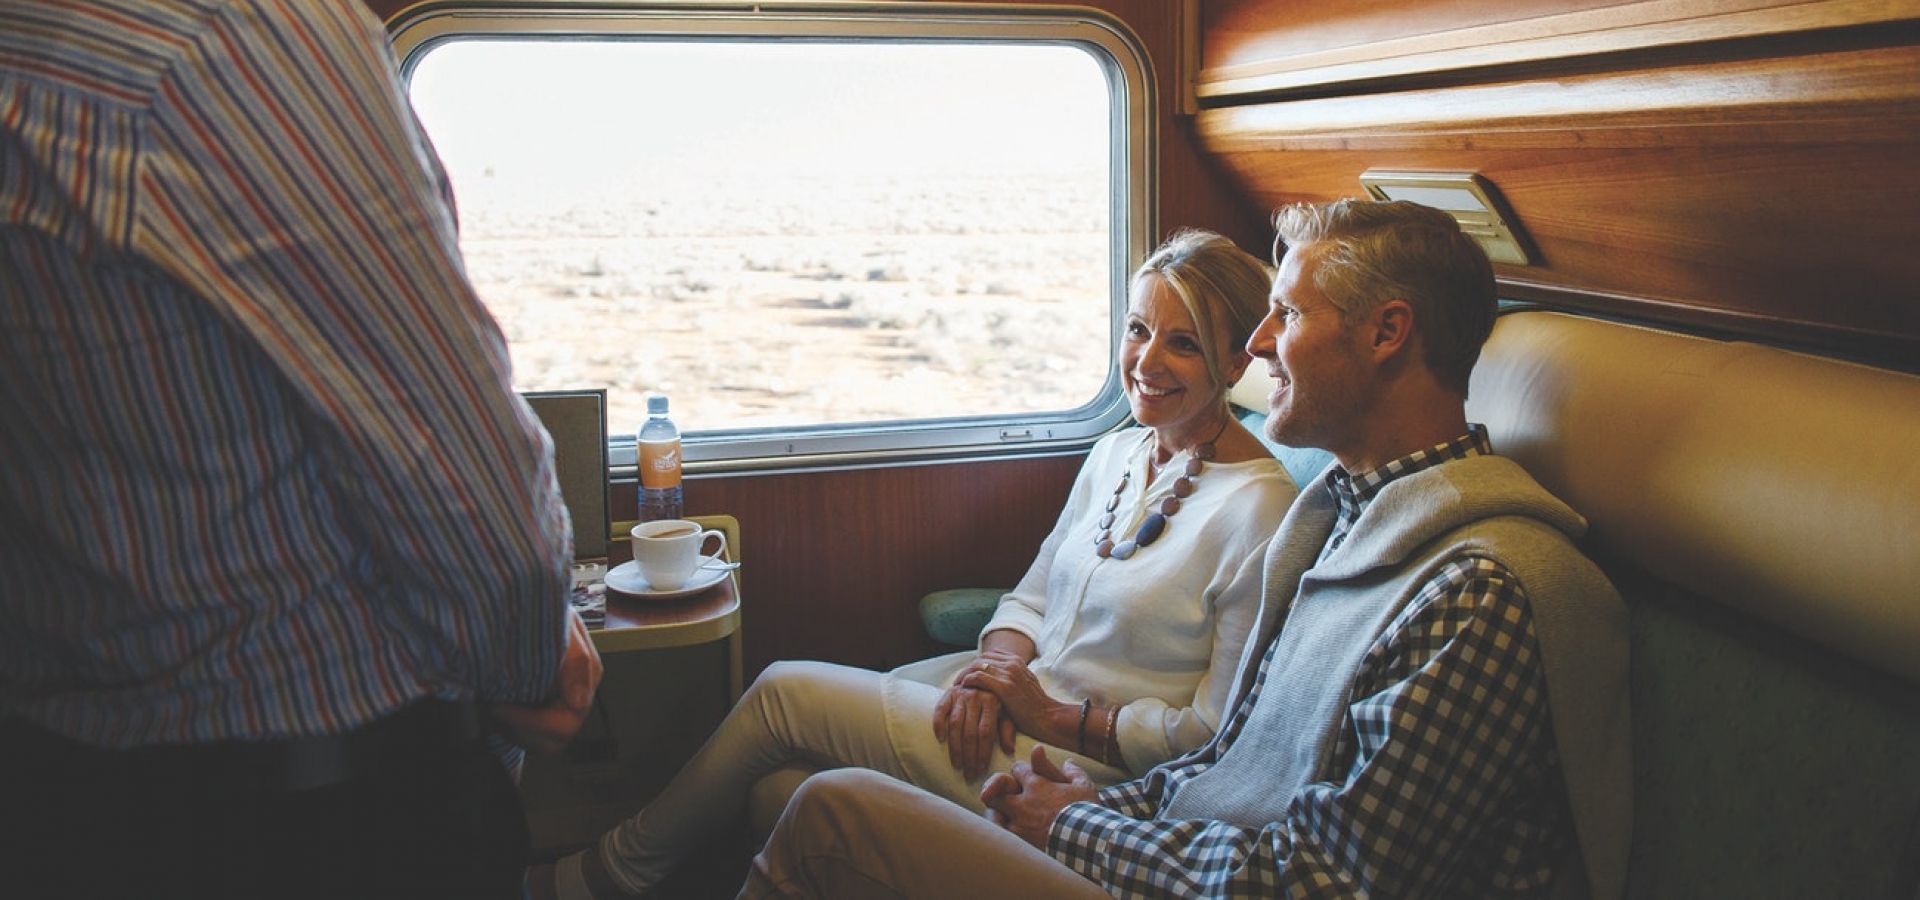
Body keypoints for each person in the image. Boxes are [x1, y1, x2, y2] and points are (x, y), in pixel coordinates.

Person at [738, 199, 1633, 900]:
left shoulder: (1478, 595)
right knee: (792, 800)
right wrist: (1091, 805)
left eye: (1284, 314)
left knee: (829, 813)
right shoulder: (1346, 517)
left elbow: (1325, 885)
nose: (1256, 345)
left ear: (1386, 333)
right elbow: (1230, 767)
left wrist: (1080, 827)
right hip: (1183, 850)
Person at [0, 2, 602, 898]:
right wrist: (526, 660)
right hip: (330, 821)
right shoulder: (233, 36)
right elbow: (481, 510)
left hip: (69, 801)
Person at [533, 229, 1299, 899]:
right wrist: (988, 677)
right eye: (1138, 330)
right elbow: (1031, 597)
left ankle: (604, 876)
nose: (1147, 360)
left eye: (1184, 342)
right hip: (1012, 700)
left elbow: (1210, 734)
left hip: (1078, 768)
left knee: (783, 694)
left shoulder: (1258, 509)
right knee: (777, 792)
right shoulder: (1118, 451)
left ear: (1237, 361)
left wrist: (1047, 715)